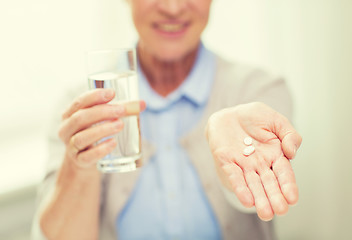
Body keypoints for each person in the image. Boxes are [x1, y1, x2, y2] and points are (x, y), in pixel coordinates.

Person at [32, 0, 302, 239]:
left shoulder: (258, 90)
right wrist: (78, 167)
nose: (173, 8)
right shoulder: (82, 106)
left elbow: (253, 197)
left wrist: (235, 167)